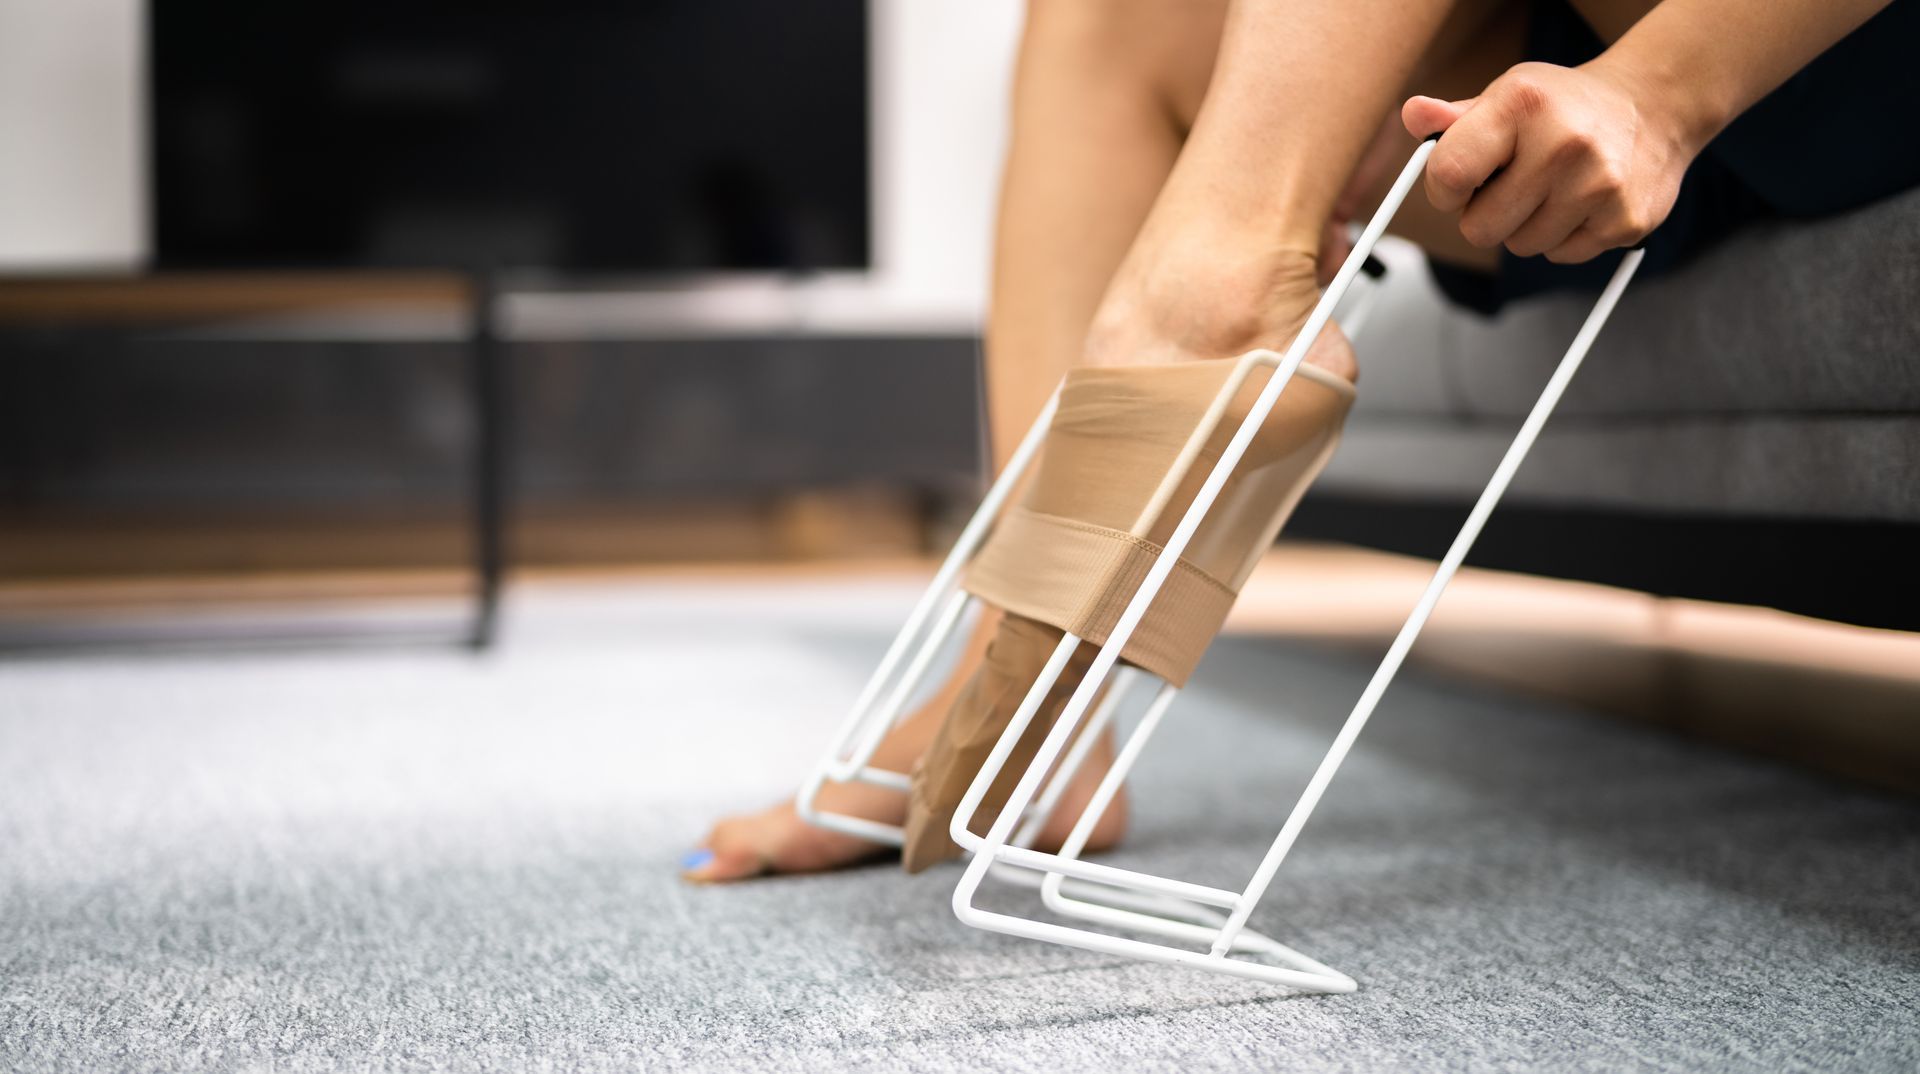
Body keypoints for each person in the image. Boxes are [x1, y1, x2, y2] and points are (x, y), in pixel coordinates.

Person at [684, 0, 1917, 882]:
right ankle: (1025, 703)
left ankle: (1220, 281)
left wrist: (1658, 89)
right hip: (1581, 81)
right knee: (1105, 17)